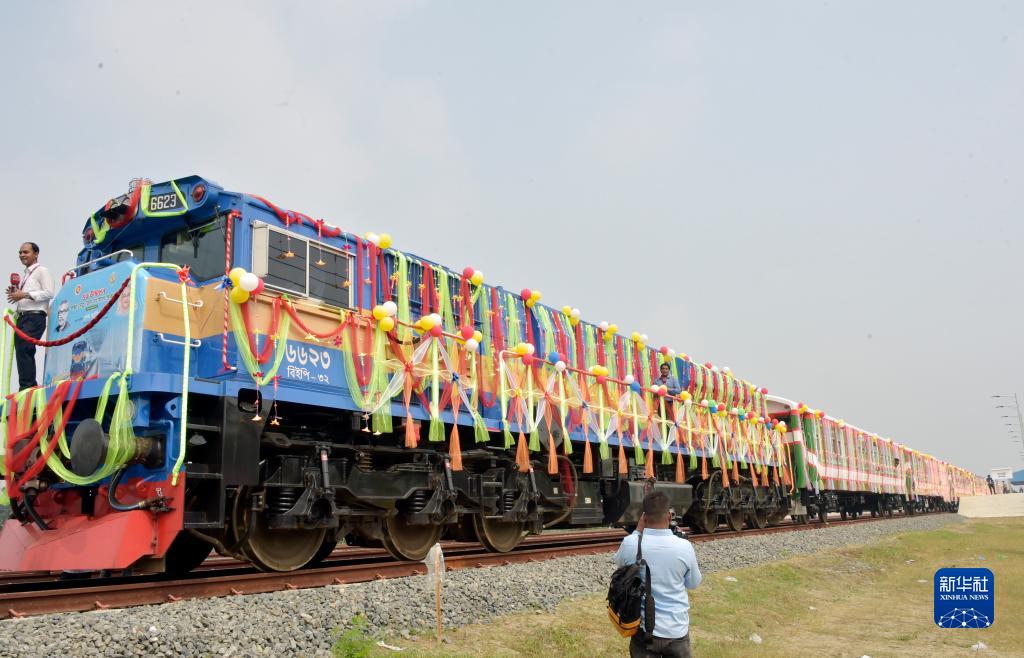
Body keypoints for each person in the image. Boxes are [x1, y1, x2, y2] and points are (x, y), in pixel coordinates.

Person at [614, 491, 701, 657]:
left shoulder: (631, 543)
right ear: (670, 516)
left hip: (643, 630)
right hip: (676, 630)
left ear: (644, 517)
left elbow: (620, 566)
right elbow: (693, 583)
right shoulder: (684, 547)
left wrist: (637, 532)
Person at [6, 242, 55, 389]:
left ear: (36, 254)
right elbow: (26, 296)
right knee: (21, 350)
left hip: (34, 316)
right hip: (22, 317)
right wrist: (17, 293)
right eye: (20, 252)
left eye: (26, 252)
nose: (22, 255)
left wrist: (24, 294)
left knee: (25, 348)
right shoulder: (26, 275)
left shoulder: (42, 271)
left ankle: (28, 386)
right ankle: (25, 386)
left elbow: (49, 292)